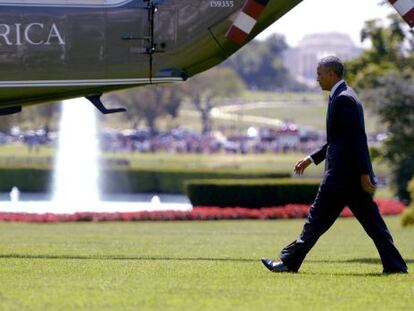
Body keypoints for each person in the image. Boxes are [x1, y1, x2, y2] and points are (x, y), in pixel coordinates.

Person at [261, 56, 408, 274]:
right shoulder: (342, 96)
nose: (317, 79)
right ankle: (395, 266)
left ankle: (288, 263)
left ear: (332, 74)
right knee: (373, 224)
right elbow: (338, 140)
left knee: (316, 219)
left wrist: (364, 173)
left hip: (341, 176)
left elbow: (356, 139)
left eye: (320, 74)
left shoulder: (344, 99)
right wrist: (312, 158)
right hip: (348, 177)